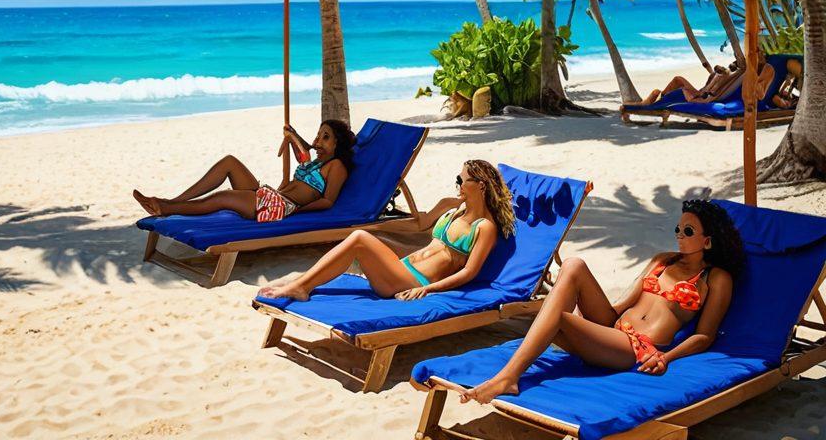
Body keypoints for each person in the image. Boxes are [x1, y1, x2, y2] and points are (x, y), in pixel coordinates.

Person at [457, 199, 744, 405]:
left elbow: (704, 336)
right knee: (573, 265)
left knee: (556, 317)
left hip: (637, 348)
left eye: (689, 232)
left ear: (708, 241)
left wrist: (665, 358)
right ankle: (510, 374)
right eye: (678, 230)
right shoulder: (662, 261)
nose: (680, 237)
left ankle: (508, 377)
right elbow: (622, 305)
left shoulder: (715, 279)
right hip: (613, 328)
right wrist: (584, 312)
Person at [257, 159, 515, 302]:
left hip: (415, 281)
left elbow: (469, 273)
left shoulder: (485, 227)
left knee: (359, 239)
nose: (457, 184)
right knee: (366, 239)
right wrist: (385, 232)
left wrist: (427, 290)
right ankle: (301, 282)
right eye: (457, 179)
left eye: (462, 180)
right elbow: (422, 229)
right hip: (403, 267)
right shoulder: (453, 209)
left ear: (480, 186)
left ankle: (300, 286)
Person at [132, 120, 355, 222]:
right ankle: (173, 201)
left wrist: (296, 211)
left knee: (223, 197)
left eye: (326, 137)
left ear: (338, 144)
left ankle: (166, 208)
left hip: (282, 207)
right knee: (229, 162)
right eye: (318, 135)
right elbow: (296, 166)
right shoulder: (313, 164)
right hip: (274, 196)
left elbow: (328, 202)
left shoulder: (336, 166)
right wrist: (290, 136)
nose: (318, 141)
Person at [641, 61, 742, 106]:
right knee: (678, 80)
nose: (728, 67)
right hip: (700, 93)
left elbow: (712, 88)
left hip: (699, 96)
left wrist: (703, 93)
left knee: (678, 79)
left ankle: (661, 97)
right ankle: (661, 96)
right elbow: (714, 78)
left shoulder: (727, 76)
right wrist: (709, 68)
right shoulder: (723, 76)